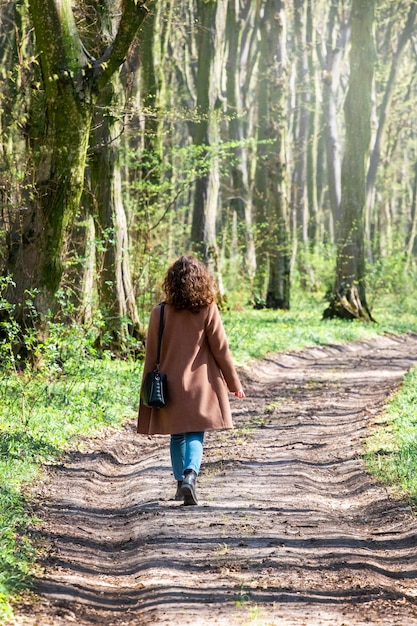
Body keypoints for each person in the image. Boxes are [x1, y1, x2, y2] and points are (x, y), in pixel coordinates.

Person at [137, 255, 245, 506]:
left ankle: (179, 484)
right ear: (201, 281)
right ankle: (190, 475)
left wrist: (145, 395)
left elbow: (152, 355)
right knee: (196, 433)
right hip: (201, 386)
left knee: (177, 436)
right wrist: (234, 383)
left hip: (170, 386)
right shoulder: (207, 309)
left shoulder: (159, 313)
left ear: (171, 282)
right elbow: (221, 350)